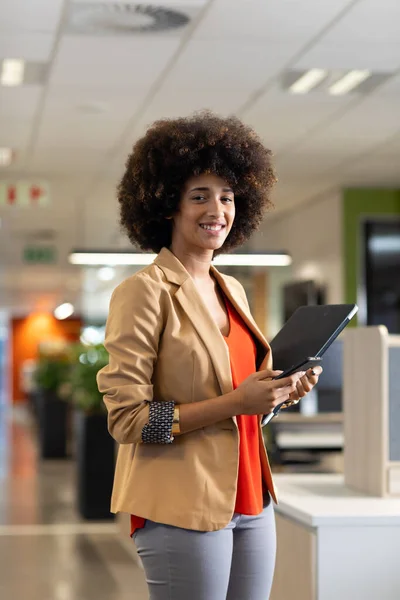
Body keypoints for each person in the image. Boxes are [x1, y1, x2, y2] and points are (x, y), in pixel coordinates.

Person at [97, 111, 322, 600]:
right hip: (182, 504)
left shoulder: (233, 291)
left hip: (252, 496)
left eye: (227, 196)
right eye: (199, 196)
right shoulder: (143, 293)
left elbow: (240, 406)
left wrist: (278, 395)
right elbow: (127, 420)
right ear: (166, 205)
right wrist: (236, 404)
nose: (216, 209)